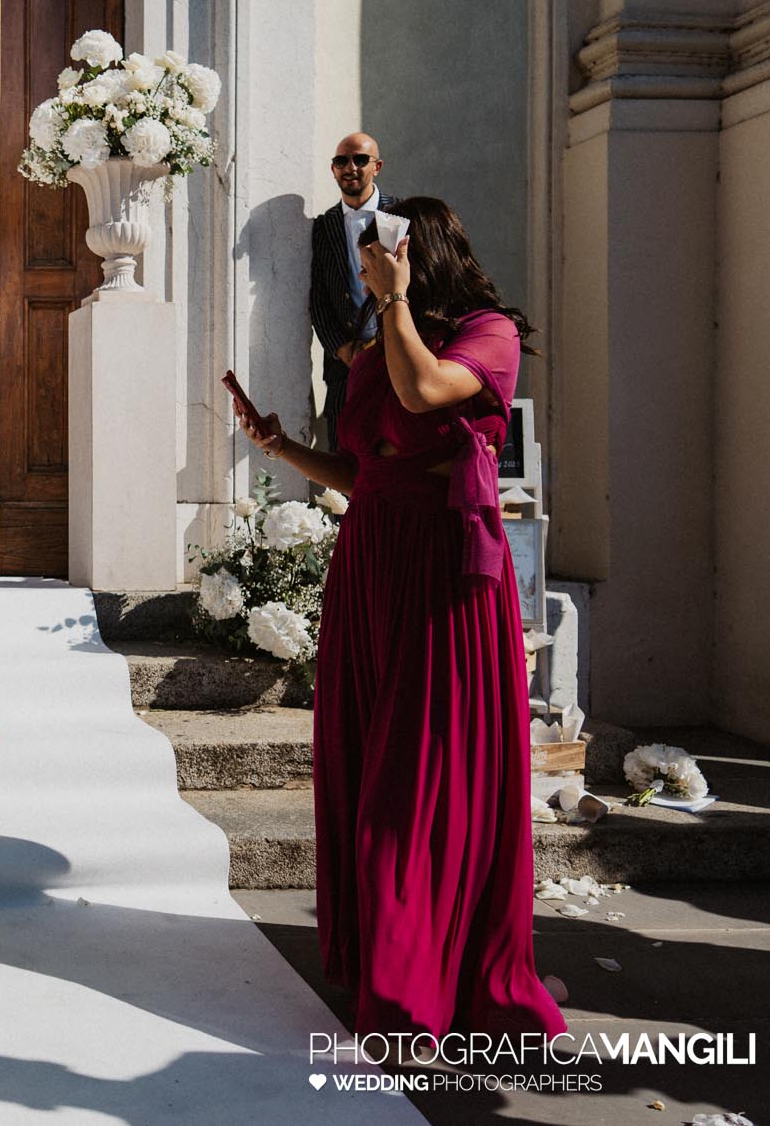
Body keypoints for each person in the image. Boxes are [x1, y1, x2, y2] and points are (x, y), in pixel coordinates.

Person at [234, 196, 563, 1039]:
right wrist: (281, 448)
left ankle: (420, 980)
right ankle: (383, 954)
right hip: (371, 566)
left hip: (442, 579)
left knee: (413, 780)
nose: (369, 261)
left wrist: (392, 301)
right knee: (362, 762)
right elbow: (362, 471)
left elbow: (423, 396)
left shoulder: (486, 333)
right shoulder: (385, 338)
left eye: (384, 248)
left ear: (426, 253)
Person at [308, 132, 400, 433]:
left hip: (397, 352)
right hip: (346, 366)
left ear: (377, 166)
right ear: (333, 169)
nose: (351, 167)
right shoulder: (323, 226)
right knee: (343, 452)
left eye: (360, 159)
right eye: (341, 161)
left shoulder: (401, 214)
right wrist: (342, 349)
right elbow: (318, 297)